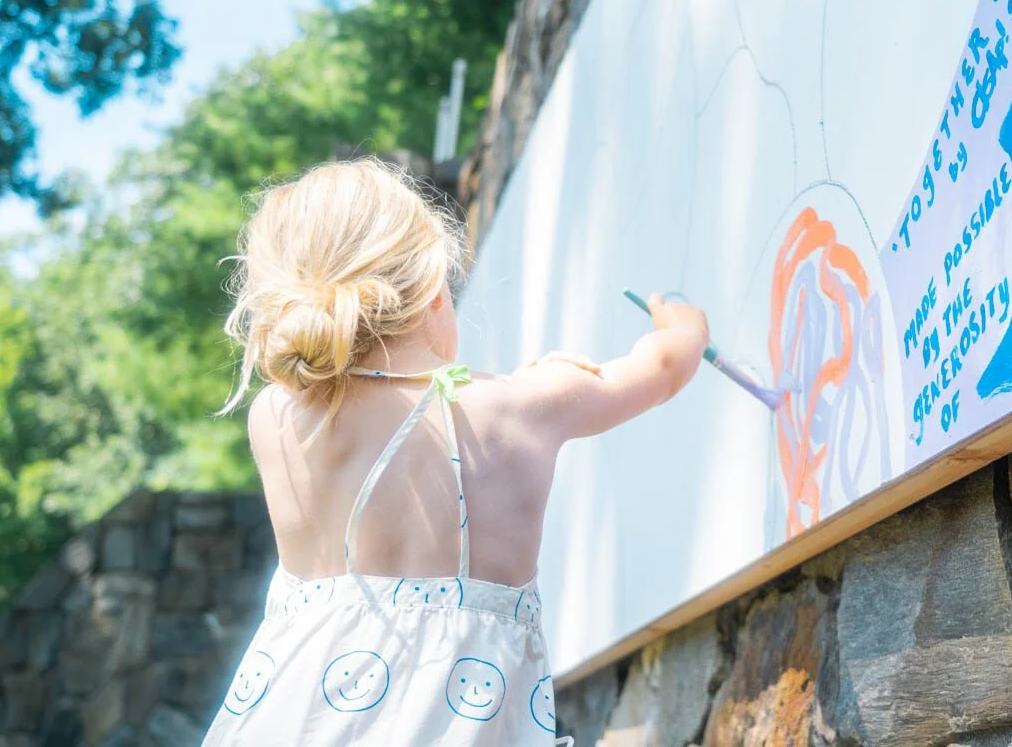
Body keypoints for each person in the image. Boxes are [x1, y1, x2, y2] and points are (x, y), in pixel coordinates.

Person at [201, 158, 709, 746]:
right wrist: (683, 327)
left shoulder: (275, 417)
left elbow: (404, 427)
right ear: (431, 293)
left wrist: (522, 391)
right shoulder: (520, 409)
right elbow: (662, 368)